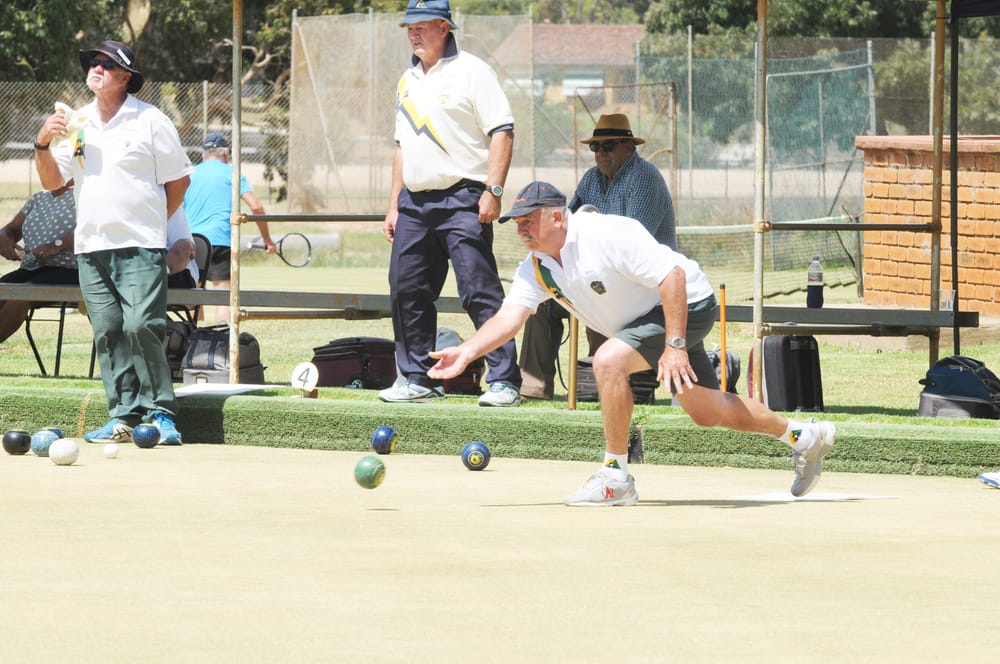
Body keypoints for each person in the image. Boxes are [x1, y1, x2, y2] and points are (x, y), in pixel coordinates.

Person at [428, 181, 837, 506]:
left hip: (686, 304)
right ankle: (805, 437)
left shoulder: (605, 234)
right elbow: (509, 317)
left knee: (608, 361)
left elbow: (672, 276)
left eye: (528, 220)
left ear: (557, 217)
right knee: (706, 411)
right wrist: (466, 351)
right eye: (516, 223)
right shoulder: (535, 268)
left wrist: (675, 345)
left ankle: (615, 476)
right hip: (649, 319)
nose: (520, 230)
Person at [33, 39, 193, 445]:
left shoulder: (151, 120)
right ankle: (123, 415)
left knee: (143, 326)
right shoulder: (79, 121)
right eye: (93, 62)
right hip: (91, 248)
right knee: (108, 331)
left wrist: (154, 223)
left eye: (107, 64)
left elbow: (179, 182)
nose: (97, 68)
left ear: (125, 77)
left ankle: (161, 413)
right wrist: (42, 146)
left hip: (141, 245)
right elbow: (55, 182)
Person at [379, 0, 522, 408]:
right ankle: (416, 378)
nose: (413, 33)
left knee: (479, 290)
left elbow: (502, 131)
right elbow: (401, 146)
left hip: (464, 198)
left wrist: (493, 191)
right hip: (413, 203)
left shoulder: (474, 71)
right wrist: (393, 205)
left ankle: (503, 380)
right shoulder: (407, 79)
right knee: (406, 289)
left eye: (421, 26)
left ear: (445, 27)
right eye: (408, 26)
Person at [519, 113, 677, 400]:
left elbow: (634, 245)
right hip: (597, 273)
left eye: (609, 145)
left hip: (644, 283)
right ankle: (533, 388)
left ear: (629, 147)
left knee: (599, 290)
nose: (601, 153)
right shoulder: (591, 178)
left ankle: (605, 387)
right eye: (596, 147)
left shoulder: (645, 177)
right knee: (543, 303)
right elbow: (569, 224)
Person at [0, 184, 197, 344]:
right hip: (42, 266)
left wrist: (148, 277)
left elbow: (183, 251)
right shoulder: (47, 198)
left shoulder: (159, 202)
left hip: (146, 274)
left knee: (22, 294)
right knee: (6, 288)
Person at [183, 133, 276, 319]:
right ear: (225, 153)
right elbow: (256, 206)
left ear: (204, 155)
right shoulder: (232, 174)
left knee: (194, 293)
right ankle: (222, 341)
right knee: (223, 293)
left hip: (193, 240)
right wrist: (267, 239)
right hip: (222, 238)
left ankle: (191, 341)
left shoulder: (189, 174)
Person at [0, 182, 78, 343]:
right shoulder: (39, 197)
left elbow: (95, 233)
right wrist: (5, 236)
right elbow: (12, 229)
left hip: (71, 270)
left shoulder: (86, 195)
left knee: (21, 295)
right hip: (32, 268)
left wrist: (58, 245)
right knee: (4, 289)